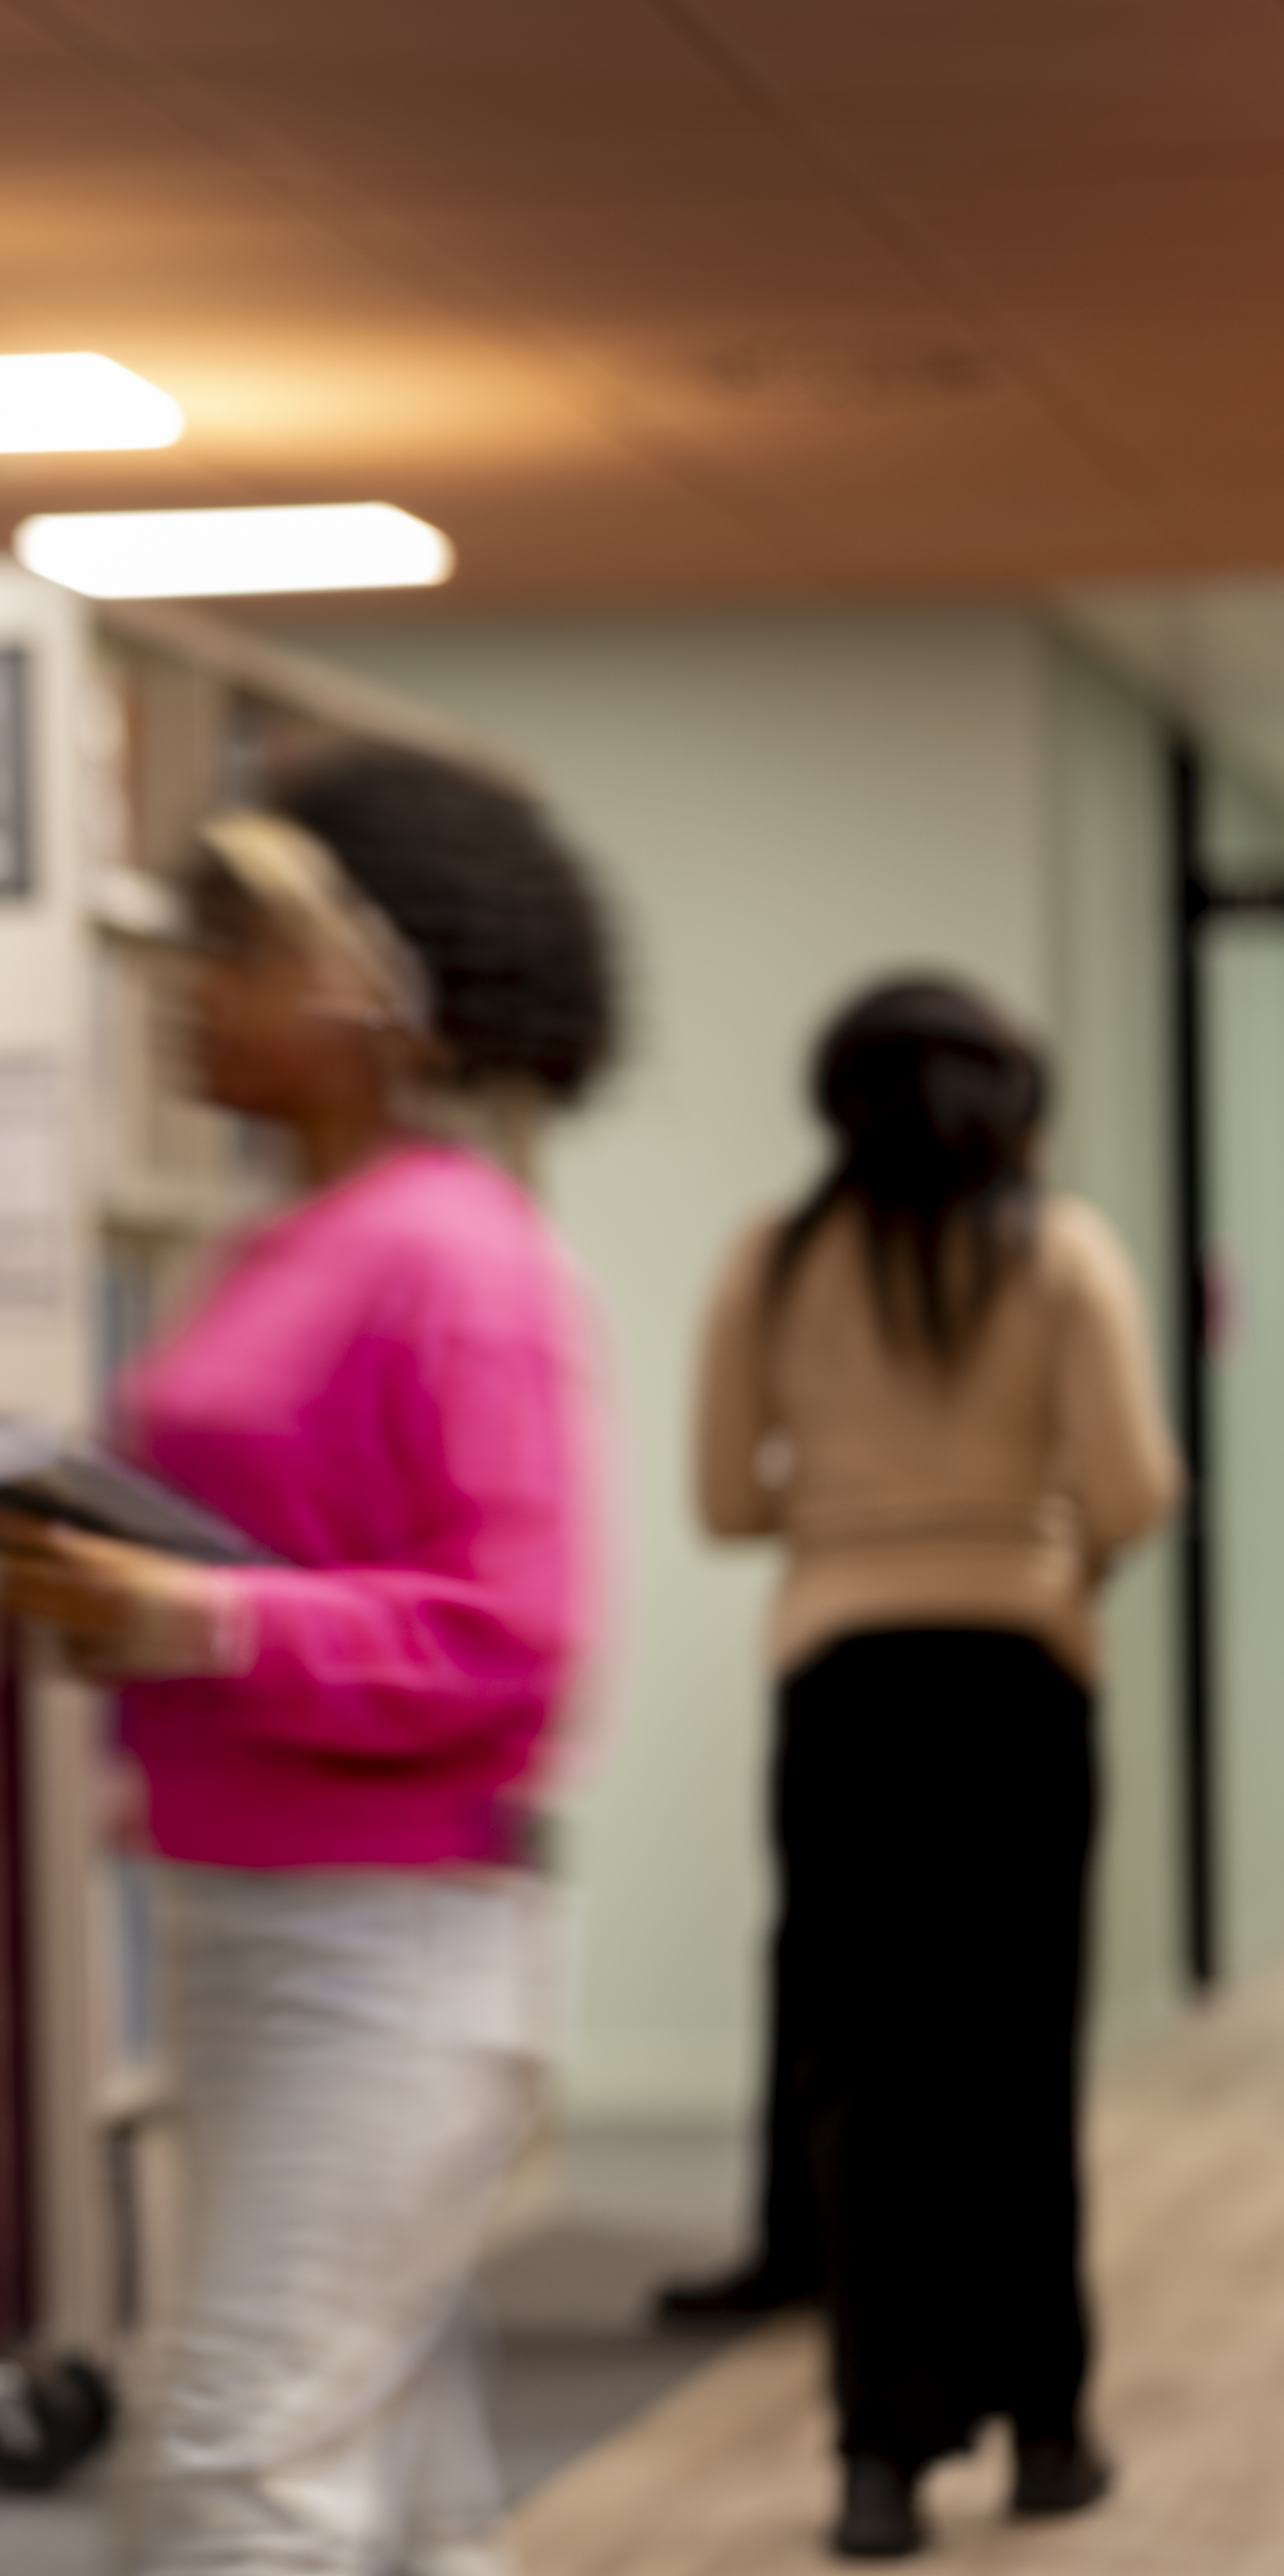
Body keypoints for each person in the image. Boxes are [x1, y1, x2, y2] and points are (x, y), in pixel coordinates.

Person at [0, 749, 616, 2576]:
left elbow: (516, 1639)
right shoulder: (277, 1243)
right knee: (392, 2480)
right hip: (252, 1921)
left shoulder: (464, 1256)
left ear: (377, 984)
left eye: (242, 948)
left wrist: (202, 1624)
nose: (194, 987)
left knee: (243, 2473)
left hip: (389, 1947)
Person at [692, 977, 1174, 2561]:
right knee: (1017, 2068)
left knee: (865, 2082)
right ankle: (1048, 2435)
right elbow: (1136, 1485)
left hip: (845, 1691)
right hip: (1022, 1681)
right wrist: (1039, 1544)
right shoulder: (1063, 1248)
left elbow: (725, 1499)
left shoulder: (773, 1261)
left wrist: (850, 1512)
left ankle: (877, 2468)